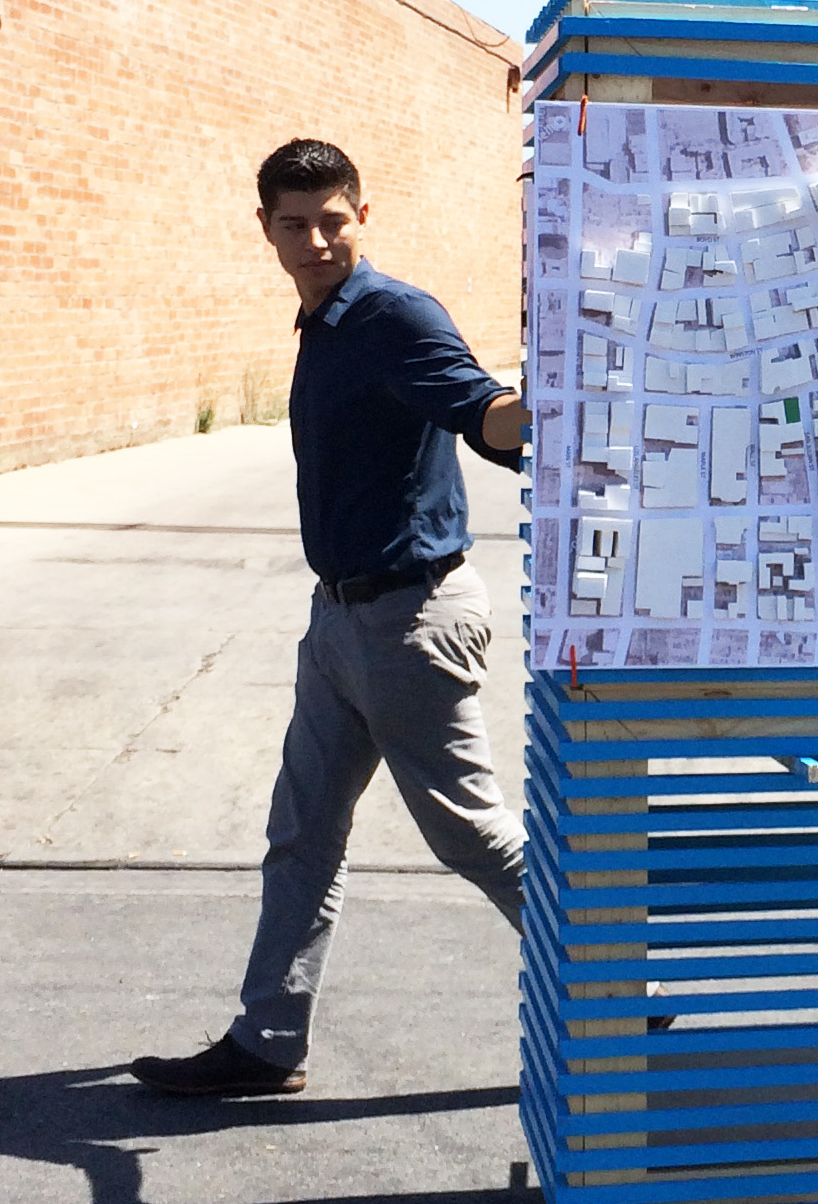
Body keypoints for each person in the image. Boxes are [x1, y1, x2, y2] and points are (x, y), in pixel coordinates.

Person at [129, 138, 528, 1097]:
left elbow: (484, 413)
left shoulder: (393, 316)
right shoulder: (324, 320)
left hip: (412, 620)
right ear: (262, 225)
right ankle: (267, 1042)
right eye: (294, 223)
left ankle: (617, 981)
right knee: (302, 832)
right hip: (340, 619)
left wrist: (571, 406)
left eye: (332, 222)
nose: (314, 241)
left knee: (471, 834)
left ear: (363, 215)